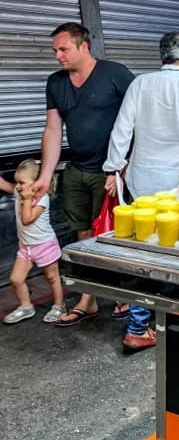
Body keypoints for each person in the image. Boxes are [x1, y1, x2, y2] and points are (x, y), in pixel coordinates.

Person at [103, 31, 179, 351]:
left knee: (145, 255)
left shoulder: (140, 84)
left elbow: (122, 129)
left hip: (142, 181)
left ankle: (139, 326)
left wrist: (114, 167)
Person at [29, 22, 134, 327]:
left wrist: (120, 168)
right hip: (76, 169)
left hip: (111, 171)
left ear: (83, 47)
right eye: (55, 51)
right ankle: (88, 298)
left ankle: (121, 294)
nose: (58, 56)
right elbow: (52, 130)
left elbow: (138, 118)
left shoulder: (114, 73)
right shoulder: (56, 83)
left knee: (113, 235)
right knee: (83, 236)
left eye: (64, 49)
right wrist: (46, 176)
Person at [3, 159, 66, 325]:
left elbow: (26, 219)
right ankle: (26, 306)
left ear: (36, 183)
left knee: (52, 278)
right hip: (26, 247)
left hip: (45, 245)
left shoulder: (41, 199)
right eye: (17, 182)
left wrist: (27, 200)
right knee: (16, 279)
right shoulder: (21, 193)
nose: (17, 186)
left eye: (21, 182)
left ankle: (59, 305)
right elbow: (7, 187)